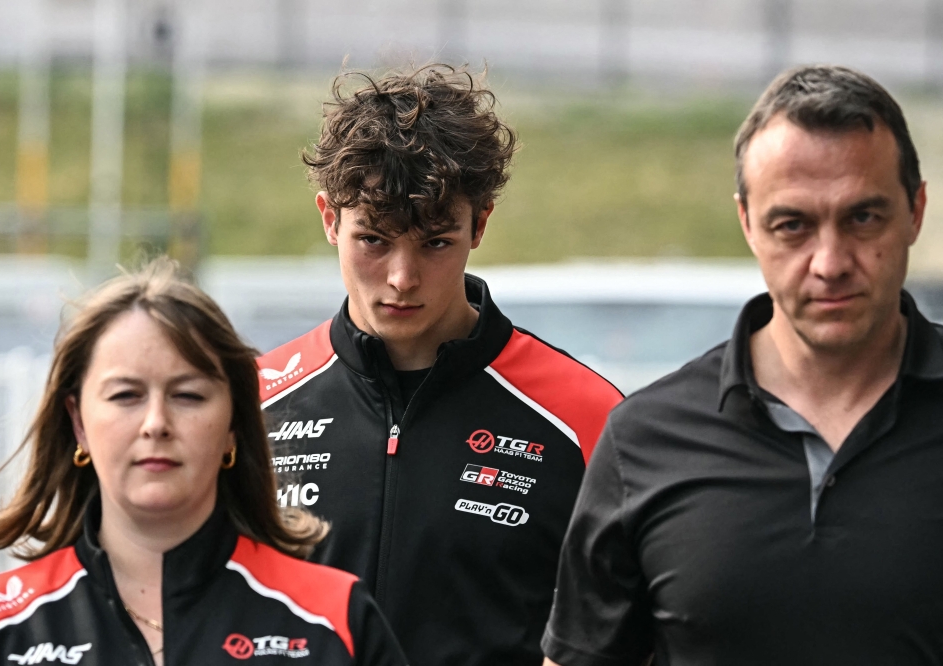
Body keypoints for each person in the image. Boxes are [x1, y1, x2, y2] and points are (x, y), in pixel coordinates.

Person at [541, 64, 943, 665]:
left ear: (915, 210)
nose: (829, 262)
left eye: (863, 217)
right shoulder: (647, 439)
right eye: (793, 225)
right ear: (747, 223)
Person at [257, 64, 624, 666]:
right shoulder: (254, 403)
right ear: (330, 219)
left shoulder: (588, 417)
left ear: (479, 224)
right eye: (373, 239)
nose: (401, 278)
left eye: (434, 242)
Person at [0, 258, 408, 666]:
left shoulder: (335, 618)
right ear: (78, 423)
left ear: (234, 425)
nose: (156, 423)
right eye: (125, 395)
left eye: (188, 395)